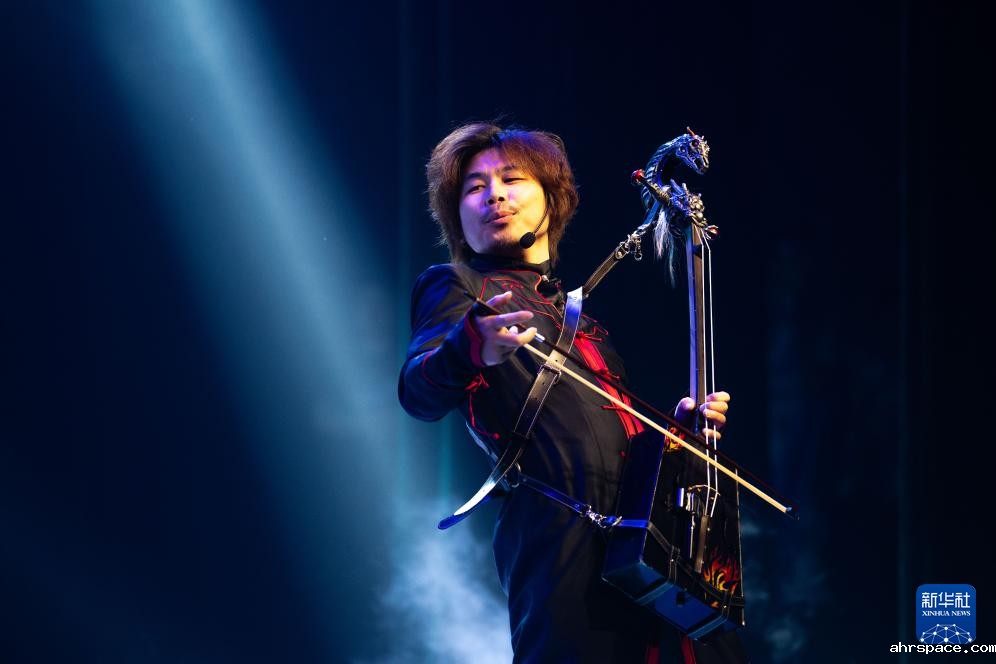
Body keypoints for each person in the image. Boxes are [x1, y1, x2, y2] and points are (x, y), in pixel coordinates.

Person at [398, 122, 747, 663]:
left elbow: (616, 438)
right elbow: (418, 391)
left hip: (648, 544)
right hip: (561, 542)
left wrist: (674, 436)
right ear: (457, 217)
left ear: (551, 200)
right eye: (475, 187)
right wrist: (469, 348)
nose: (494, 195)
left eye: (512, 179)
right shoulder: (458, 286)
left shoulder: (584, 325)